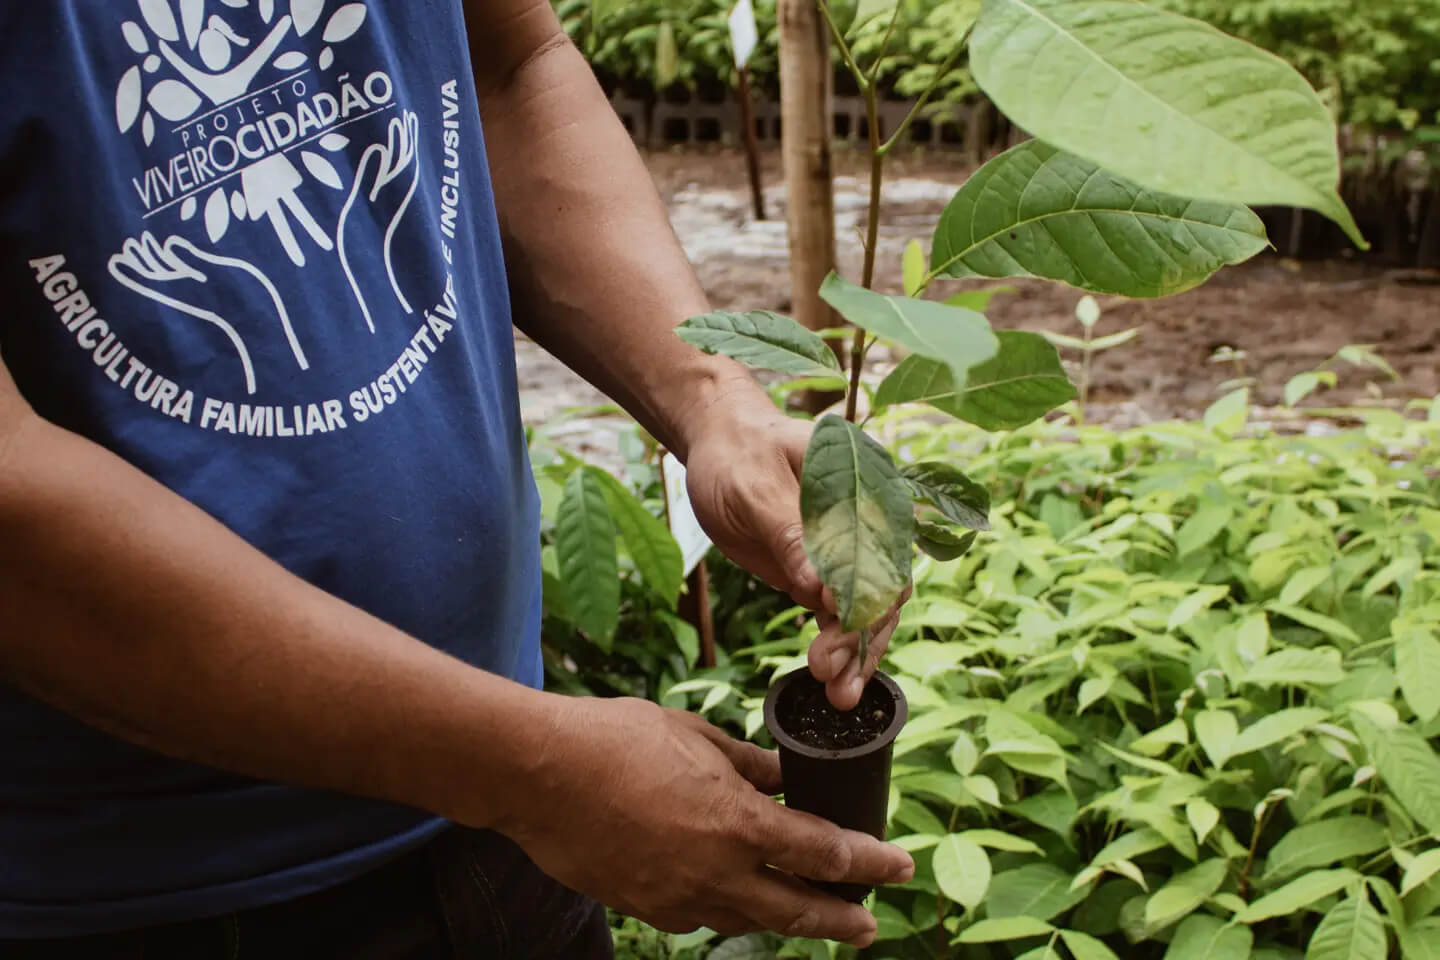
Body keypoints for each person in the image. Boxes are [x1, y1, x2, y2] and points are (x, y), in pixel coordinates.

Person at [0, 0, 913, 956]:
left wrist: (716, 406)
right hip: (145, 898)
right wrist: (535, 770)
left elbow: (507, 64)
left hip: (509, 839)